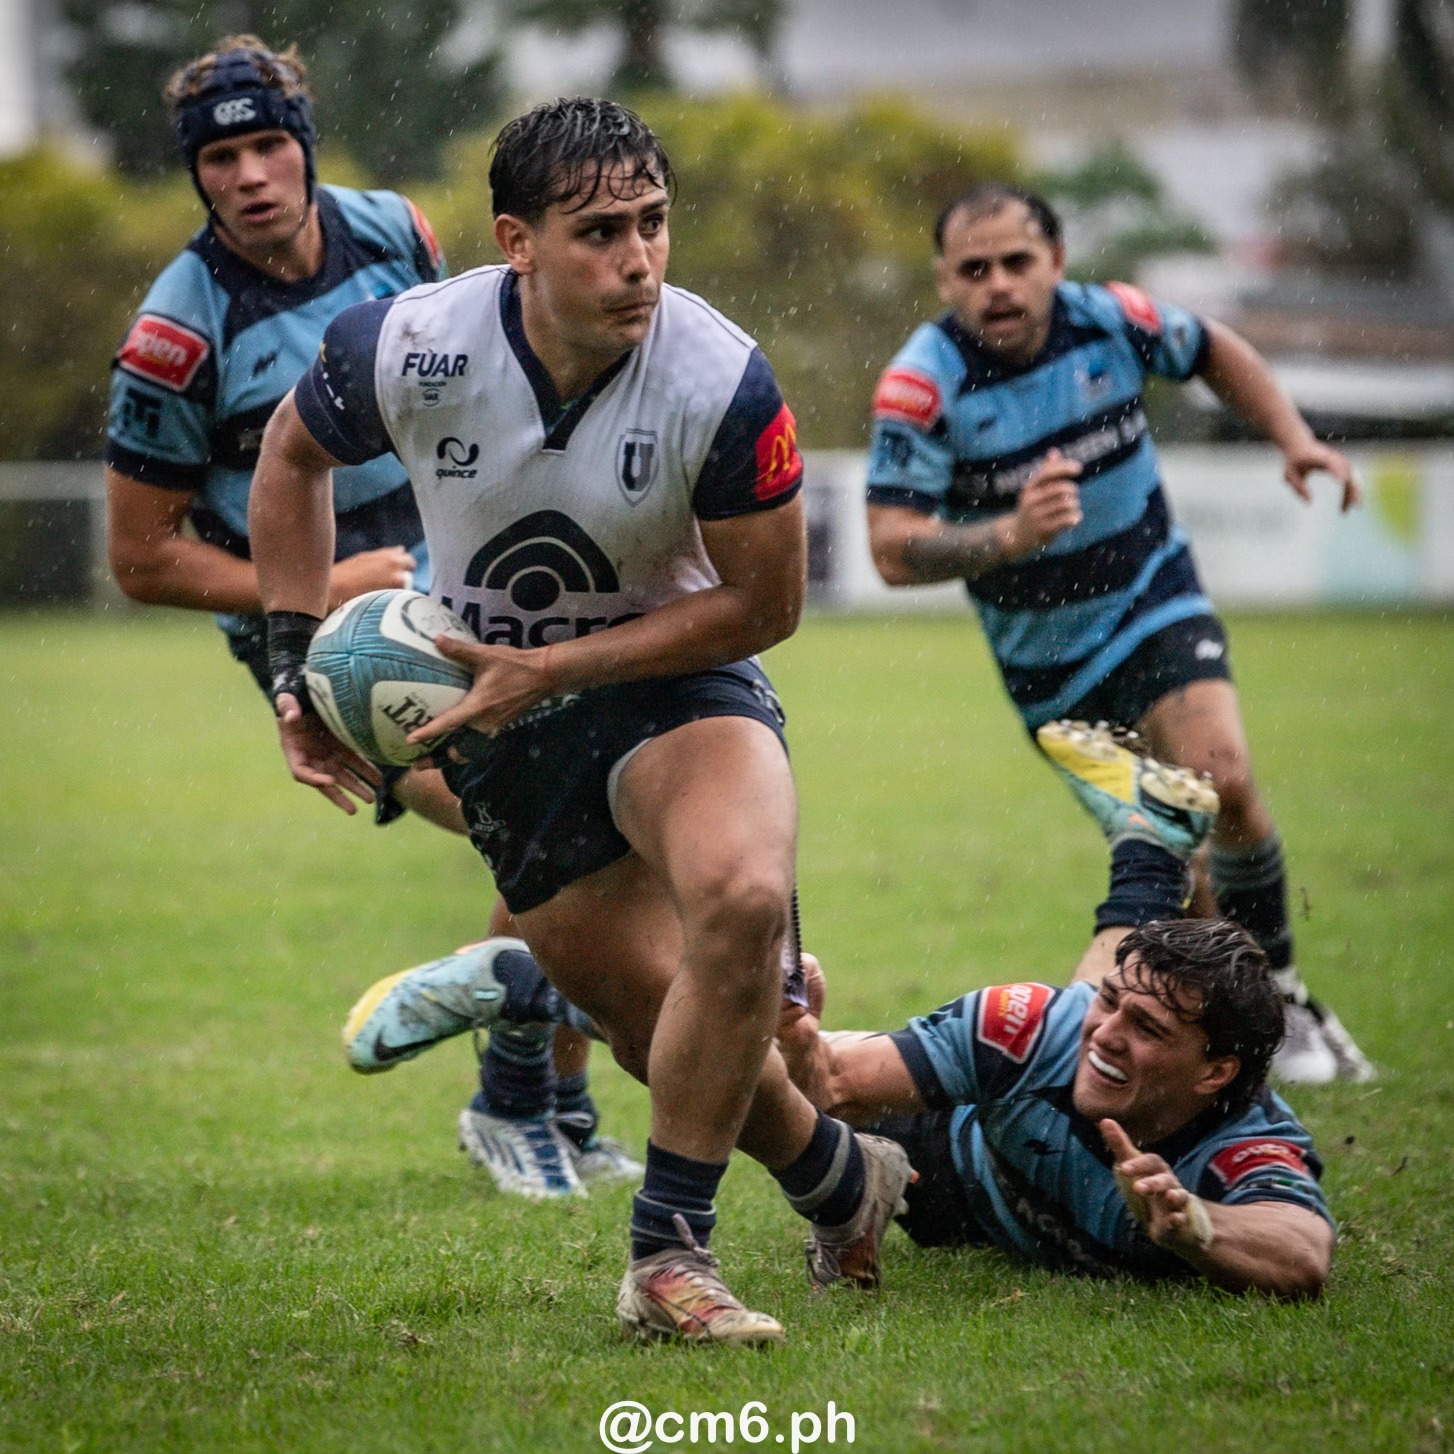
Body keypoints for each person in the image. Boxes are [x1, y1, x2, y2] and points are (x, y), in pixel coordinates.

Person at [247, 97, 916, 1345]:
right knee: (660, 1033)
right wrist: (293, 663)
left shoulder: (721, 378)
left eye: (653, 223)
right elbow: (290, 456)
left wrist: (551, 667)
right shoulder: (409, 344)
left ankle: (666, 1256)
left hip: (679, 685)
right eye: (600, 232)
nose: (638, 259)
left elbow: (764, 605)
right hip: (503, 732)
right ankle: (842, 1179)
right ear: (517, 242)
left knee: (739, 898)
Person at [102, 36, 631, 1200]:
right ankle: (512, 1098)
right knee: (552, 815)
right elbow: (140, 557)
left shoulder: (393, 230)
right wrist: (325, 588)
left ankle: (556, 1101)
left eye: (267, 145)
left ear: (304, 142)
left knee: (584, 807)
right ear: (194, 173)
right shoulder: (175, 337)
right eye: (220, 158)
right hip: (331, 636)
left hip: (462, 570)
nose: (249, 175)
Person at [343, 723, 1334, 1296]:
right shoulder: (1035, 1027)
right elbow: (832, 1083)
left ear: (1217, 1074)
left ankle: (1151, 839)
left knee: (1108, 992)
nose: (1107, 1032)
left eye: (1149, 1032)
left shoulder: (1240, 1144)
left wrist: (1197, 1227)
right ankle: (535, 985)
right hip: (935, 1158)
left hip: (1039, 1158)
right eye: (1112, 1010)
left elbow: (1302, 1253)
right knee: (750, 1073)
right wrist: (790, 1035)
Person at [865, 181, 1373, 1085]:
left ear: (1056, 262)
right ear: (943, 280)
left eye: (1017, 262)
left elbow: (1212, 347)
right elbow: (892, 549)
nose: (998, 285)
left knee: (1222, 781)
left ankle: (1287, 999)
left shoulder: (1111, 319)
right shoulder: (921, 385)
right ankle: (1241, 1032)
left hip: (1152, 596)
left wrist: (1291, 436)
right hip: (1049, 672)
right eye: (974, 270)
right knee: (1177, 851)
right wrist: (1010, 535)